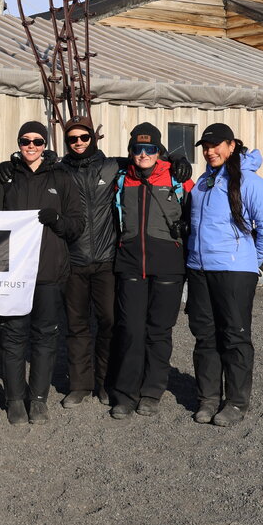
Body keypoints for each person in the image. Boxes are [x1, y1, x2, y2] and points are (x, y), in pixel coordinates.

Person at [186, 122, 263, 426]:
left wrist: (252, 260)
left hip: (234, 271)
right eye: (205, 147)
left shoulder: (252, 183)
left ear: (231, 145)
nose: (209, 151)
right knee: (205, 336)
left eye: (215, 146)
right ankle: (208, 398)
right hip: (200, 269)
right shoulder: (204, 181)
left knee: (235, 336)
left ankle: (237, 402)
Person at [0, 120, 84, 427]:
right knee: (13, 334)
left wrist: (57, 219)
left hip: (49, 270)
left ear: (45, 145)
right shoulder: (6, 177)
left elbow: (77, 224)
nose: (31, 147)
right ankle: (15, 399)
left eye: (37, 142)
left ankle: (39, 399)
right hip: (14, 272)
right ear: (18, 144)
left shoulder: (62, 177)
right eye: (25, 141)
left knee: (45, 336)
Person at [109, 123, 194, 419]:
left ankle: (151, 392)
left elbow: (198, 215)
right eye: (137, 149)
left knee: (158, 331)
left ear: (159, 151)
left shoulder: (177, 178)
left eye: (149, 149)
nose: (143, 154)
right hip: (131, 263)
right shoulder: (122, 179)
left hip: (169, 266)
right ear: (130, 152)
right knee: (130, 330)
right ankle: (125, 394)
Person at [58, 116, 122, 407]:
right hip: (73, 260)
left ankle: (106, 382)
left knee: (109, 321)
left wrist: (175, 157)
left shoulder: (111, 166)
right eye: (73, 139)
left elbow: (146, 156)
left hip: (106, 259)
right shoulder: (58, 171)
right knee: (77, 325)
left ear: (93, 139)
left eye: (84, 137)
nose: (79, 143)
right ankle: (80, 385)